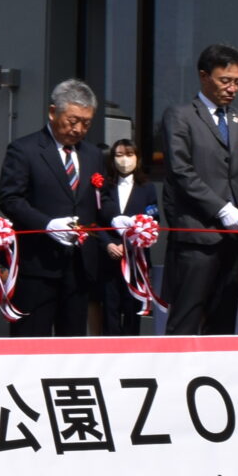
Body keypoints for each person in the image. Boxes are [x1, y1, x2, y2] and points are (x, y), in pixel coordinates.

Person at [156, 43, 238, 335]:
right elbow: (181, 171)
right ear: (204, 76)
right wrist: (222, 208)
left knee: (225, 319)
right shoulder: (180, 116)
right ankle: (177, 376)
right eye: (225, 80)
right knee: (187, 317)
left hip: (237, 237)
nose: (232, 88)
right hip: (198, 235)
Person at [0, 80, 109, 337]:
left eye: (87, 123)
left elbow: (102, 199)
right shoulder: (24, 150)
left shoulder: (92, 155)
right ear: (52, 112)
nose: (79, 129)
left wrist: (124, 221)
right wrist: (46, 224)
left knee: (72, 342)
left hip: (79, 266)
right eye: (73, 120)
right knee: (31, 341)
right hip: (36, 265)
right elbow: (10, 199)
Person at [97, 137, 158, 335]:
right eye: (119, 155)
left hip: (136, 258)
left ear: (137, 158)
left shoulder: (148, 188)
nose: (124, 160)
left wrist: (129, 246)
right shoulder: (104, 187)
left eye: (129, 155)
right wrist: (108, 244)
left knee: (133, 310)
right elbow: (96, 221)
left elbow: (153, 222)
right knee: (109, 309)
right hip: (109, 258)